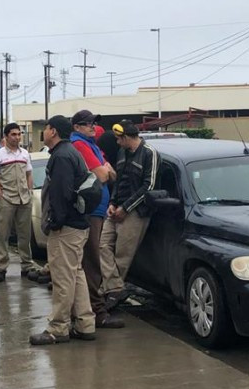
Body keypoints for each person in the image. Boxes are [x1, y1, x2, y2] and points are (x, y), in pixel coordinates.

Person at [30, 115, 96, 346]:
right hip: (78, 224)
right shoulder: (70, 153)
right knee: (75, 274)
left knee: (62, 278)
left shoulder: (61, 157)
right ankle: (85, 323)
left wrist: (54, 224)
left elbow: (61, 195)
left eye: (46, 128)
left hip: (67, 227)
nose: (44, 132)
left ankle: (58, 328)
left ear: (54, 131)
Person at [69, 110, 125, 329]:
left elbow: (112, 173)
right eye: (87, 123)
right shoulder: (80, 145)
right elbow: (103, 175)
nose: (93, 127)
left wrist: (106, 170)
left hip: (99, 209)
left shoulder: (91, 145)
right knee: (91, 260)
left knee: (92, 260)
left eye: (93, 123)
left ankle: (91, 309)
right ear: (76, 127)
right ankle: (96, 311)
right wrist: (105, 170)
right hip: (90, 211)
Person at [99, 120, 159, 311]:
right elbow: (118, 181)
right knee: (102, 246)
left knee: (122, 255)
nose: (117, 143)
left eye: (118, 139)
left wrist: (126, 208)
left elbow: (148, 187)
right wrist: (112, 203)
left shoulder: (149, 154)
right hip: (116, 208)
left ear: (126, 137)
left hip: (136, 212)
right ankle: (115, 287)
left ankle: (111, 291)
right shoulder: (122, 153)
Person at [0, 123, 36, 282]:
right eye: (14, 134)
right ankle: (1, 268)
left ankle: (27, 265)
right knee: (3, 235)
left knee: (25, 234)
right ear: (6, 136)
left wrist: (29, 191)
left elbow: (29, 174)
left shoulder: (24, 153)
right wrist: (0, 196)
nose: (17, 137)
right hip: (7, 199)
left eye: (19, 134)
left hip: (24, 199)